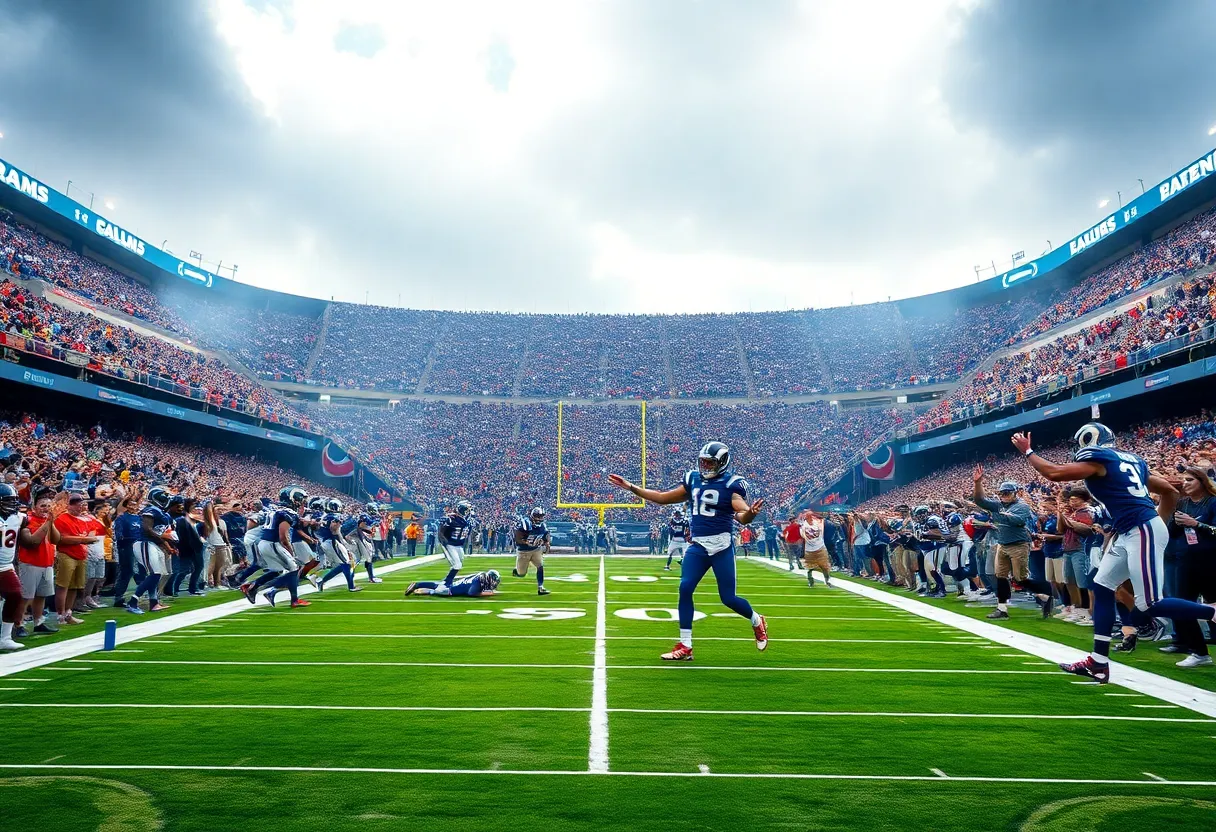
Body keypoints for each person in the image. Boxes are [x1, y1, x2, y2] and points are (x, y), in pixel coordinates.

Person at [1013, 424, 1216, 683]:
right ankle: (1098, 662)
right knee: (1102, 585)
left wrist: (1028, 451)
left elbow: (1053, 473)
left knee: (1149, 603)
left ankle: (1211, 612)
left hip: (1139, 529)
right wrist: (1158, 523)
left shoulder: (1101, 460)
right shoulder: (1133, 460)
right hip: (1133, 529)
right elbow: (1169, 491)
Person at [608, 441, 767, 661]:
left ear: (721, 463)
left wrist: (751, 514)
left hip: (721, 546)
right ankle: (685, 645)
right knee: (685, 588)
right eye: (703, 462)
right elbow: (663, 498)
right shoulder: (693, 480)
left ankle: (756, 620)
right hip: (698, 545)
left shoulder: (731, 485)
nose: (705, 467)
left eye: (710, 463)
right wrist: (631, 487)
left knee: (728, 598)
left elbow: (742, 516)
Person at [971, 468, 1055, 620]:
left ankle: (1047, 592)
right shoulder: (998, 505)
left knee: (1020, 578)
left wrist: (1001, 513)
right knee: (1001, 576)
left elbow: (1017, 520)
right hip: (1003, 544)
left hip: (1018, 544)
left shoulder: (1022, 506)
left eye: (1007, 493)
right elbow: (979, 500)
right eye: (1002, 493)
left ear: (1016, 493)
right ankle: (1002, 609)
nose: (1004, 496)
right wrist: (978, 483)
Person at [1165, 466, 1216, 667]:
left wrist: (1195, 524)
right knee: (1182, 606)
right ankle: (1199, 652)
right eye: (1183, 480)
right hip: (1186, 560)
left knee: (1214, 607)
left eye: (1189, 480)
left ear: (1202, 482)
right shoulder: (1183, 503)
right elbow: (1172, 533)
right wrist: (1177, 523)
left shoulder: (1212, 502)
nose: (1185, 483)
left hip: (1211, 562)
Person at [0, 483, 27, 650]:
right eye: (9, 500)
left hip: (5, 565)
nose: (14, 504)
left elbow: (27, 524)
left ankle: (5, 637)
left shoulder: (18, 517)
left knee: (15, 595)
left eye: (15, 500)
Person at [513, 506, 551, 595]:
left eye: (541, 516)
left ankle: (540, 587)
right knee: (522, 574)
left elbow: (546, 536)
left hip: (536, 549)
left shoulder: (543, 526)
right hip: (523, 551)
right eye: (538, 516)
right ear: (533, 516)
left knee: (540, 566)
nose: (540, 518)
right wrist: (525, 542)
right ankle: (516, 571)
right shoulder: (526, 524)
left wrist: (546, 543)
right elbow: (517, 538)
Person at [437, 501, 472, 591]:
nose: (468, 512)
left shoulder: (466, 521)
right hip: (450, 544)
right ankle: (446, 582)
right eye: (466, 510)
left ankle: (448, 579)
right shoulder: (450, 518)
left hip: (458, 545)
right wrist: (444, 543)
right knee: (457, 565)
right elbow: (441, 531)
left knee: (460, 560)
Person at [405, 569, 500, 598]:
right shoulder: (478, 582)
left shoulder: (480, 575)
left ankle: (417, 585)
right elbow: (472, 593)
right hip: (448, 590)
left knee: (436, 585)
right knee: (434, 590)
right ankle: (417, 588)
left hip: (453, 584)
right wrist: (489, 593)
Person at [799, 511, 833, 588]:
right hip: (810, 550)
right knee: (810, 568)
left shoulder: (818, 523)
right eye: (808, 516)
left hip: (820, 547)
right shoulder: (803, 526)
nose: (810, 517)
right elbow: (802, 535)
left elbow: (823, 521)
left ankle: (827, 581)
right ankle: (811, 581)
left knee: (824, 566)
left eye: (811, 515)